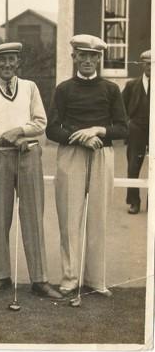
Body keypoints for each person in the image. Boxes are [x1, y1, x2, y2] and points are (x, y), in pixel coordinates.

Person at [0, 42, 62, 299]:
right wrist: (8, 138)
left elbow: (40, 122)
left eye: (12, 60)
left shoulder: (30, 87)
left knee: (33, 216)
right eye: (2, 61)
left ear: (18, 62)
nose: (7, 65)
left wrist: (20, 132)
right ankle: (1, 275)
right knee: (0, 217)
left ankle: (39, 279)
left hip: (28, 155)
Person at [47, 34, 128, 297]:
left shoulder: (111, 89)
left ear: (99, 59)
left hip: (102, 155)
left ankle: (95, 280)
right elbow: (51, 129)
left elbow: (123, 128)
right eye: (83, 55)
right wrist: (81, 138)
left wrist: (97, 130)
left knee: (98, 218)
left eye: (93, 56)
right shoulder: (64, 89)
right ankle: (70, 278)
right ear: (74, 57)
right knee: (70, 218)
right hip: (71, 154)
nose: (88, 61)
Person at [122, 49, 150, 215]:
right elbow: (121, 107)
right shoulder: (132, 85)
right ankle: (134, 202)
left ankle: (152, 202)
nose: (150, 68)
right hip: (137, 128)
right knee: (133, 166)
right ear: (142, 65)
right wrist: (127, 124)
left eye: (153, 64)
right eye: (147, 64)